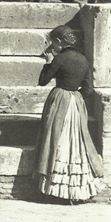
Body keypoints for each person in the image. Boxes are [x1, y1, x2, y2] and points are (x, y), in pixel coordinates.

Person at [34, 25, 104, 203]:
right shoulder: (83, 60)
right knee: (76, 142)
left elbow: (43, 82)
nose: (52, 47)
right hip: (76, 104)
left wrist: (49, 61)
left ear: (58, 42)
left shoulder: (59, 58)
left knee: (56, 139)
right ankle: (76, 192)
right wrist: (75, 96)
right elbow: (88, 89)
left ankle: (56, 191)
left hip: (60, 102)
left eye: (53, 43)